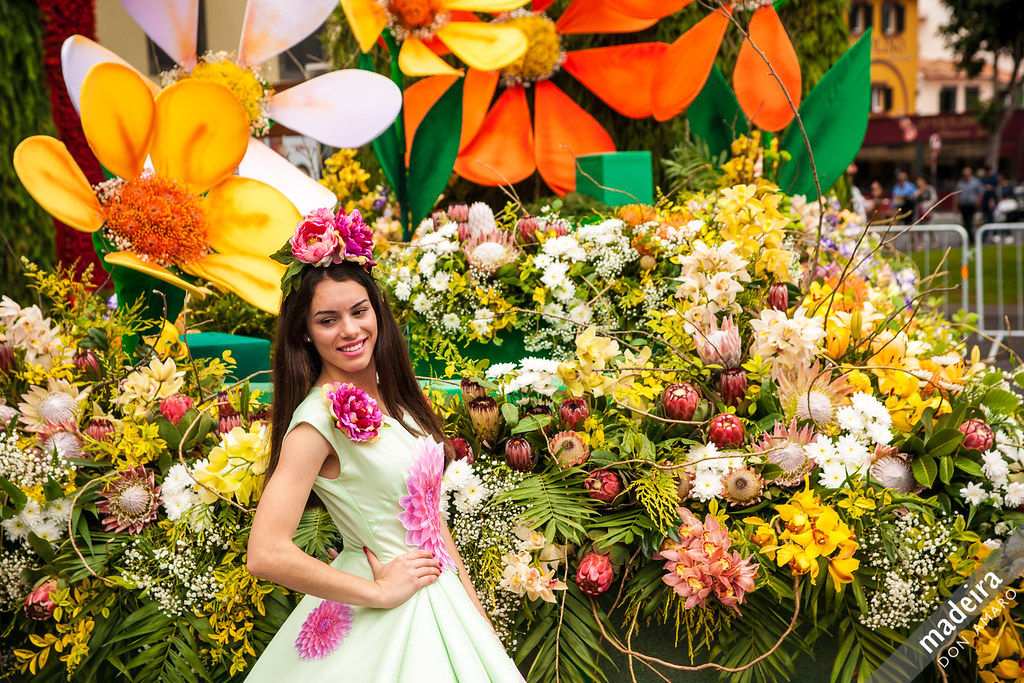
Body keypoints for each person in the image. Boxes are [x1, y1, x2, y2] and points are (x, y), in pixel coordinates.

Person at [245, 210, 524, 681]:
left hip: (443, 602)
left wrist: (477, 622)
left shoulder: (395, 399)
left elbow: (430, 521)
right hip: (386, 613)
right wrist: (376, 592)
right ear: (305, 334)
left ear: (377, 311)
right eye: (327, 320)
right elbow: (265, 552)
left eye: (359, 311)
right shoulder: (317, 420)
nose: (350, 331)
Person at [956, 166, 983, 240]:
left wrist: (978, 202)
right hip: (963, 205)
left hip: (972, 205)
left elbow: (981, 193)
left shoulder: (976, 182)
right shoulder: (960, 183)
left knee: (969, 222)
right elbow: (956, 195)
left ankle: (970, 239)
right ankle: (968, 239)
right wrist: (955, 207)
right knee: (965, 223)